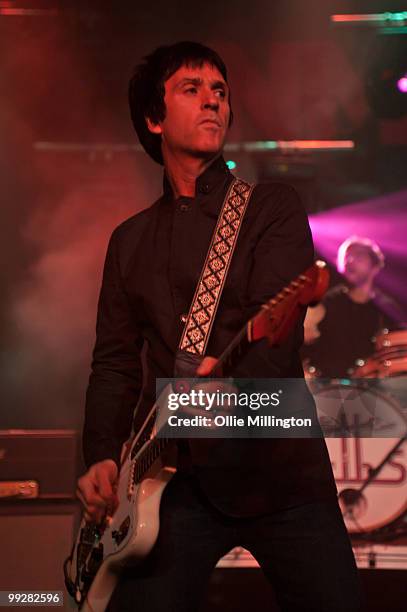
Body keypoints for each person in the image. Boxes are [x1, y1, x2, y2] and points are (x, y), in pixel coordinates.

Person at [76, 41, 362, 611]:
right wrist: (102, 456)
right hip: (175, 482)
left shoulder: (270, 208)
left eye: (220, 92)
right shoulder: (128, 241)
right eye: (192, 88)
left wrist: (231, 384)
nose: (213, 102)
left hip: (283, 474)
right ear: (154, 119)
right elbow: (113, 362)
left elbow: (275, 343)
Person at [303, 235, 405, 379]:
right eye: (346, 257)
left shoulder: (387, 308)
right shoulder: (325, 302)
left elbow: (397, 354)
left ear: (375, 266)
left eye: (359, 257)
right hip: (327, 389)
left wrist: (374, 367)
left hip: (372, 391)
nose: (350, 261)